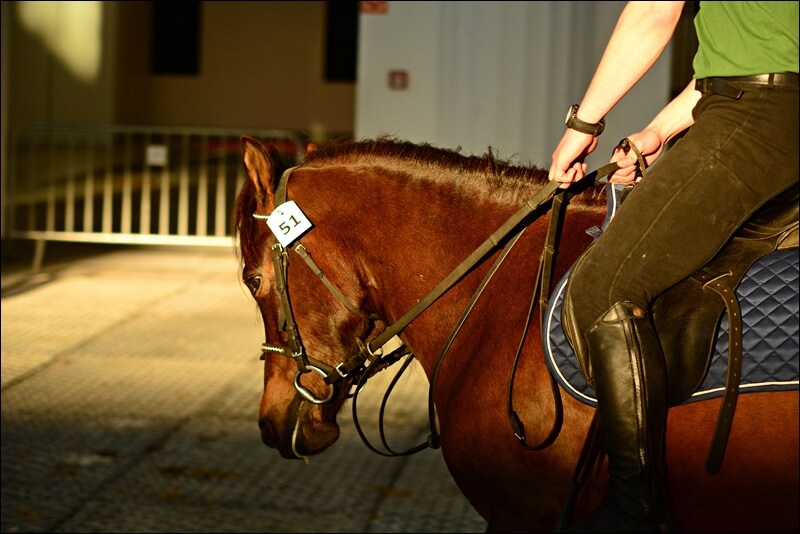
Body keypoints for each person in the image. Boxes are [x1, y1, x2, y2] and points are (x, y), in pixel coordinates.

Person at [548, 1, 798, 532]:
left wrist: (584, 122)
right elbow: (742, 56)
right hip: (753, 106)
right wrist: (657, 132)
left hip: (757, 116)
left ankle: (635, 504)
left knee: (604, 284)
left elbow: (652, 13)